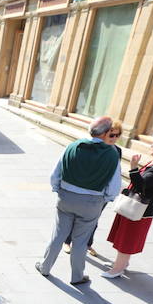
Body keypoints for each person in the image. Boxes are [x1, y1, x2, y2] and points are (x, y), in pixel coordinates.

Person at [36, 116, 122, 285]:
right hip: (92, 202)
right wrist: (105, 199)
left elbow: (56, 173)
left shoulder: (73, 146)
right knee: (81, 241)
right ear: (105, 133)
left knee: (58, 234)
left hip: (66, 197)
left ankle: (45, 267)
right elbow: (114, 185)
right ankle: (77, 276)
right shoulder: (112, 154)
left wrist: (58, 189)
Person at [102, 128, 153, 279]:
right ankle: (121, 264)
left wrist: (133, 167)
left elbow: (141, 185)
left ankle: (117, 269)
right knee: (123, 236)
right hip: (134, 205)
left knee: (127, 239)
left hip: (140, 209)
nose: (152, 145)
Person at [63, 120, 124, 257]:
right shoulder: (92, 147)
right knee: (75, 217)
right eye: (111, 135)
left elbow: (115, 173)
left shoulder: (117, 151)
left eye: (117, 135)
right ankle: (67, 241)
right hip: (87, 190)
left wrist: (110, 194)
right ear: (104, 134)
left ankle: (88, 243)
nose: (114, 138)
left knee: (94, 220)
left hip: (103, 194)